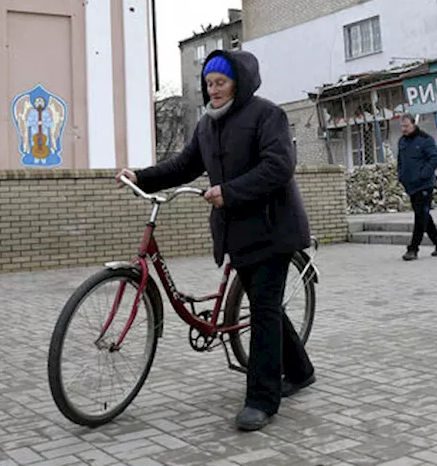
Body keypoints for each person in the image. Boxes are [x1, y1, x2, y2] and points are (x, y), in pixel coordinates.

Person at [117, 49, 314, 432]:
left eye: (220, 82)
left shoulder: (266, 115)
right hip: (237, 233)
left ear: (237, 82)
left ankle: (261, 400)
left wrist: (230, 192)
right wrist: (141, 177)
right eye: (208, 83)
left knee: (264, 310)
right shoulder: (207, 125)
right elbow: (185, 165)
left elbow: (279, 166)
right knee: (265, 305)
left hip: (275, 229)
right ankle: (301, 370)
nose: (213, 90)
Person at [397, 114, 437, 261]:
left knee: (420, 217)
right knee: (424, 216)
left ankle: (413, 249)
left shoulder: (425, 139)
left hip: (424, 185)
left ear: (413, 124)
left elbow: (435, 158)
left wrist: (423, 174)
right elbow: (400, 160)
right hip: (410, 185)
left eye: (406, 126)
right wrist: (401, 176)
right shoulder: (402, 141)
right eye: (402, 126)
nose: (404, 129)